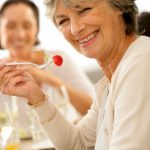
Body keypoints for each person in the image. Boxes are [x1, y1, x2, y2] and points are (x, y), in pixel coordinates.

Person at [1, 0, 150, 150]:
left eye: (84, 10)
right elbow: (78, 142)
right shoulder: (109, 82)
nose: (75, 29)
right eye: (64, 20)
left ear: (120, 5)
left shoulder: (140, 64)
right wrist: (35, 95)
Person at [0, 0, 95, 130]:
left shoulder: (58, 60)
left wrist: (46, 78)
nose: (20, 35)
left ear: (36, 29)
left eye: (27, 25)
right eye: (10, 26)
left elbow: (94, 109)